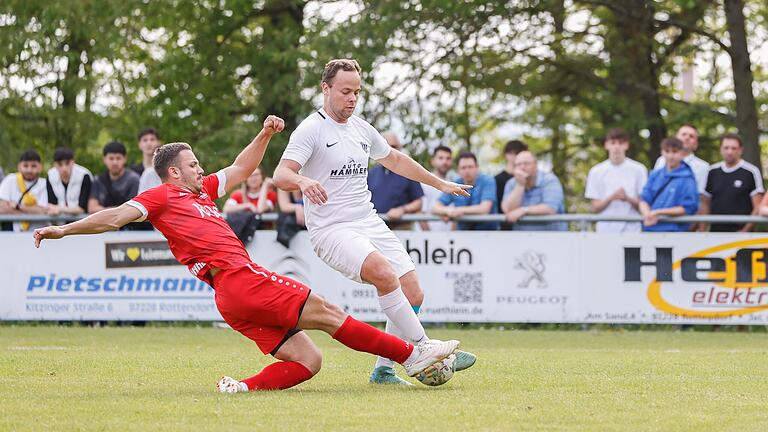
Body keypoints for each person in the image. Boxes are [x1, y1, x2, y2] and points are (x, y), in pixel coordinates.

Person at [33, 115, 460, 392]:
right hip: (239, 279)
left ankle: (241, 387)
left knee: (308, 360)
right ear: (174, 172)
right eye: (194, 164)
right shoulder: (161, 196)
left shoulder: (203, 194)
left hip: (230, 298)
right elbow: (112, 218)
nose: (201, 169)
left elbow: (239, 169)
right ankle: (412, 355)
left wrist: (265, 134)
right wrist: (64, 230)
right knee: (329, 313)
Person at [274, 58, 476, 386]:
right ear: (325, 89)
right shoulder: (311, 130)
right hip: (332, 229)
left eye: (357, 92)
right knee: (384, 274)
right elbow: (281, 174)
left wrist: (439, 184)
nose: (352, 98)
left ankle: (383, 370)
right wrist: (302, 182)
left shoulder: (362, 128)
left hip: (368, 221)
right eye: (345, 92)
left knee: (413, 292)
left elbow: (395, 160)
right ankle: (423, 348)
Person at [584, 128, 647, 232]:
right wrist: (611, 197)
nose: (617, 147)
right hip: (605, 231)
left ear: (626, 145)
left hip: (632, 231)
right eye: (613, 143)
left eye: (621, 143)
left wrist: (627, 198)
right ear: (606, 145)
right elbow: (594, 208)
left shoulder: (639, 169)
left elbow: (644, 205)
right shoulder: (596, 171)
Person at [701, 133, 764, 232]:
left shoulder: (751, 171)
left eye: (733, 148)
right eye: (726, 148)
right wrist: (702, 229)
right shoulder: (712, 171)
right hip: (715, 233)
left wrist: (745, 230)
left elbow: (758, 206)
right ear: (720, 149)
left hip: (742, 234)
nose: (729, 152)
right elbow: (705, 204)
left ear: (740, 150)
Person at [640, 137, 699, 232]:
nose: (670, 156)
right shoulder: (655, 175)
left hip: (675, 232)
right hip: (651, 230)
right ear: (662, 152)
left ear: (681, 153)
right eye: (667, 151)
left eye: (674, 152)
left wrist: (658, 213)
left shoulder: (688, 179)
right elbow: (644, 199)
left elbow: (688, 208)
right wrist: (647, 214)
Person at [368, 133, 424, 230]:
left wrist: (403, 209)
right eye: (386, 146)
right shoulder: (370, 174)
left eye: (394, 146)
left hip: (401, 228)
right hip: (375, 229)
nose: (390, 150)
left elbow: (418, 203)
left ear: (400, 149)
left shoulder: (409, 171)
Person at [431, 152, 499, 231]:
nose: (467, 170)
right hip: (463, 236)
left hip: (488, 234)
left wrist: (458, 210)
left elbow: (484, 209)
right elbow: (435, 208)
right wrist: (448, 211)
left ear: (477, 168)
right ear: (458, 170)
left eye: (470, 167)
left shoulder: (487, 181)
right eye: (463, 167)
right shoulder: (455, 183)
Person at [501, 151, 567, 231]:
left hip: (551, 238)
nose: (522, 167)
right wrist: (520, 186)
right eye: (518, 164)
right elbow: (508, 210)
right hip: (522, 239)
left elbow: (550, 208)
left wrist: (523, 210)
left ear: (536, 165)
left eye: (526, 163)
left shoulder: (549, 180)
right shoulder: (511, 183)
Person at [0, 149, 48, 232]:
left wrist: (17, 207)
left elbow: (44, 210)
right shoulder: (10, 179)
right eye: (25, 166)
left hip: (39, 233)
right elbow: (2, 208)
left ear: (40, 167)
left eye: (33, 166)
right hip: (11, 233)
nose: (29, 170)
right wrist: (32, 211)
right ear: (19, 167)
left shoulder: (45, 184)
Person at [654, 124, 708, 194]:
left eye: (691, 136)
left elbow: (699, 194)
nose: (687, 138)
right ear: (676, 139)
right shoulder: (661, 160)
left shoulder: (703, 167)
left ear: (696, 145)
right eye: (683, 134)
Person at [89, 141, 140, 213]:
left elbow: (133, 209)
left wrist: (105, 210)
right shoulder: (98, 179)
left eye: (118, 158)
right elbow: (92, 207)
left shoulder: (134, 179)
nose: (115, 162)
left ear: (125, 159)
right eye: (111, 158)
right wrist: (114, 210)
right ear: (104, 159)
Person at [45, 147, 93, 217]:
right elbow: (51, 204)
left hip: (82, 222)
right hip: (60, 224)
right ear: (55, 164)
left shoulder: (84, 175)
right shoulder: (51, 175)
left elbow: (82, 208)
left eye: (67, 163)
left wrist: (59, 209)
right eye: (60, 164)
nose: (64, 168)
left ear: (73, 162)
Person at [417, 145, 453, 232]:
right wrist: (430, 236)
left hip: (450, 238)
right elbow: (420, 212)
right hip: (427, 238)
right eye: (440, 158)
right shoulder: (424, 183)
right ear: (432, 161)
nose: (445, 161)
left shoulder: (454, 184)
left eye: (448, 158)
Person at [495, 140, 528, 230]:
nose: (515, 156)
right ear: (506, 155)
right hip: (505, 225)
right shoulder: (498, 179)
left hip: (525, 224)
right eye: (512, 153)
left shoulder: (530, 177)